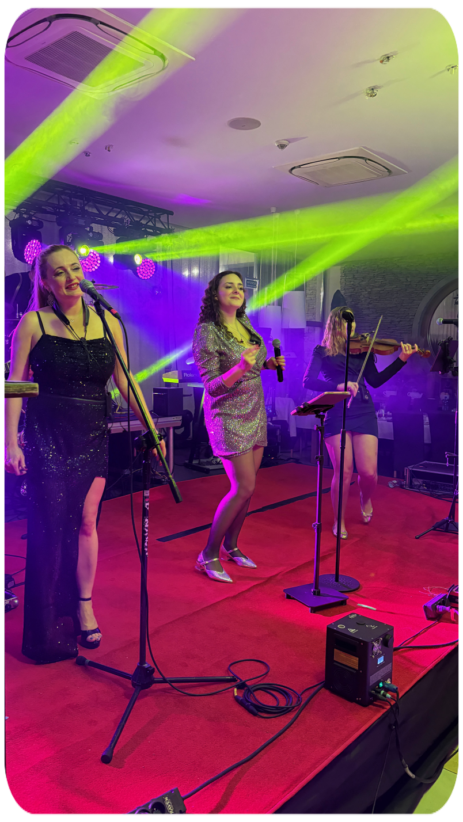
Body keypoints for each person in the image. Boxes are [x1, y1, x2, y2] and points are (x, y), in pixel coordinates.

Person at [3, 244, 166, 663]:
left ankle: (84, 605)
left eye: (74, 268)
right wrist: (11, 441)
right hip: (47, 434)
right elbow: (16, 384)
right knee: (50, 525)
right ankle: (47, 624)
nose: (70, 277)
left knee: (88, 521)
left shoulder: (108, 321)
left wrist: (151, 426)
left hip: (92, 432)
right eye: (59, 272)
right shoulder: (33, 322)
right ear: (45, 282)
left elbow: (125, 381)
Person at [192, 271, 285, 582]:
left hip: (255, 410)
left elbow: (253, 366)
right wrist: (242, 368)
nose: (236, 290)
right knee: (242, 487)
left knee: (250, 487)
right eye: (228, 286)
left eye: (240, 287)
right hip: (227, 414)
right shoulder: (207, 331)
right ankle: (207, 555)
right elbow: (211, 385)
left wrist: (267, 365)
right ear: (215, 294)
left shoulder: (245, 324)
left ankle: (231, 545)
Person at [303, 306, 418, 538]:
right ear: (334, 324)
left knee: (369, 473)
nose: (352, 325)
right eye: (346, 320)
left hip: (363, 409)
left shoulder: (363, 350)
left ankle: (365, 497)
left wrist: (402, 360)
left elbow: (375, 381)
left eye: (353, 320)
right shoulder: (322, 351)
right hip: (337, 409)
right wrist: (338, 386)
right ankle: (339, 520)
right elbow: (308, 381)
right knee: (344, 472)